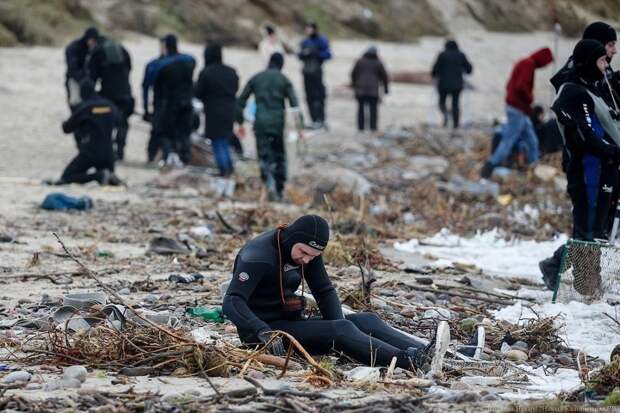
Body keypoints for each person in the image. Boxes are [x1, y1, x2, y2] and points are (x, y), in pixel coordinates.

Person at [222, 215, 451, 370]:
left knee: (365, 320)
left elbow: (324, 291)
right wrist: (261, 330)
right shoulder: (258, 256)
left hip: (291, 322)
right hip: (265, 335)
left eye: (312, 256)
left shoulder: (307, 252)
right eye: (303, 252)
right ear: (293, 239)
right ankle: (410, 361)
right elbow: (232, 301)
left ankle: (430, 353)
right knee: (341, 329)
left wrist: (344, 331)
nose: (306, 259)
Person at [539, 39, 620, 291]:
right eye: (602, 60)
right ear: (588, 61)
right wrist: (612, 150)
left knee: (596, 228)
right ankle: (582, 284)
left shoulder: (593, 89)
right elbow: (585, 133)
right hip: (587, 169)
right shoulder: (574, 91)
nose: (607, 64)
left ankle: (580, 281)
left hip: (602, 167)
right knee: (588, 227)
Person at [236, 53, 301, 202]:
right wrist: (299, 127)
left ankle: (268, 182)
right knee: (279, 156)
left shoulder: (256, 78)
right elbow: (295, 105)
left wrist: (240, 122)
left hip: (260, 123)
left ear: (269, 62)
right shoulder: (284, 80)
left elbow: (240, 101)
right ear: (281, 64)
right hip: (278, 123)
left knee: (264, 155)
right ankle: (279, 189)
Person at [480, 48, 553, 178]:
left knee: (532, 140)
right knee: (509, 140)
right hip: (517, 110)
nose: (545, 66)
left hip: (519, 109)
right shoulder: (528, 65)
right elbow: (521, 87)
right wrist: (530, 99)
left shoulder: (524, 62)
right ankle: (490, 166)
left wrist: (526, 108)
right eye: (546, 63)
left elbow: (509, 85)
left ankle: (534, 166)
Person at [52, 78, 123, 186]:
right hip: (109, 153)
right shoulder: (109, 106)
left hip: (91, 152)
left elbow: (67, 128)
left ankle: (97, 176)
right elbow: (120, 121)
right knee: (110, 179)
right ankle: (107, 175)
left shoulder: (86, 108)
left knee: (67, 177)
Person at [194, 43, 239, 177]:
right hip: (230, 109)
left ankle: (224, 170)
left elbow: (198, 92)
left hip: (214, 111)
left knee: (217, 142)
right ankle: (229, 168)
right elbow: (235, 87)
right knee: (225, 139)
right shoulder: (231, 71)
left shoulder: (207, 72)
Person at [88, 34, 134, 161]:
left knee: (107, 121)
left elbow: (92, 77)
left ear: (93, 41)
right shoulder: (122, 48)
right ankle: (120, 151)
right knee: (123, 123)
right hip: (126, 91)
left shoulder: (97, 51)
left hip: (108, 93)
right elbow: (129, 68)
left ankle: (107, 150)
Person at [154, 34, 196, 167]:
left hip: (170, 104)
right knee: (184, 134)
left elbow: (155, 89)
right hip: (187, 103)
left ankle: (170, 156)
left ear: (165, 46)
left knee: (166, 133)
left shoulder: (162, 65)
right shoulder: (190, 61)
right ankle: (185, 159)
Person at [431, 40, 473, 129]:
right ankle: (456, 125)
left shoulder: (442, 55)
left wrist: (434, 76)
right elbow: (469, 69)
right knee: (455, 105)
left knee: (441, 103)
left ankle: (446, 116)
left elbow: (434, 70)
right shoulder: (461, 55)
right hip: (457, 85)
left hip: (443, 85)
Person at [298, 22, 331, 129]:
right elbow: (299, 55)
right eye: (306, 28)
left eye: (309, 28)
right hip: (306, 72)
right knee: (309, 97)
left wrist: (316, 53)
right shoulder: (304, 42)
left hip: (317, 72)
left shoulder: (322, 40)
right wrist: (304, 54)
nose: (307, 30)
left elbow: (328, 54)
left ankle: (320, 119)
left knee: (319, 96)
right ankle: (313, 120)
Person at [350, 46, 389, 132]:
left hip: (360, 90)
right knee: (373, 110)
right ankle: (373, 128)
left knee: (360, 109)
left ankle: (360, 128)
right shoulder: (378, 63)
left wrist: (354, 85)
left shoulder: (359, 61)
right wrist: (386, 89)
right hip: (373, 90)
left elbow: (353, 74)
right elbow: (384, 77)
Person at [65, 27, 99, 111]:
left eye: (95, 41)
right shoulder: (73, 48)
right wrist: (83, 80)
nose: (93, 43)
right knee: (75, 104)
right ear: (87, 38)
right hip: (73, 80)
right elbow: (72, 68)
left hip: (87, 81)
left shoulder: (93, 48)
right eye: (92, 40)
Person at [142, 39, 165, 163]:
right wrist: (145, 107)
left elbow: (145, 87)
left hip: (161, 104)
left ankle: (154, 157)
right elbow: (145, 87)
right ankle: (152, 157)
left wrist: (146, 107)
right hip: (160, 104)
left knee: (158, 133)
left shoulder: (155, 64)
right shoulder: (154, 64)